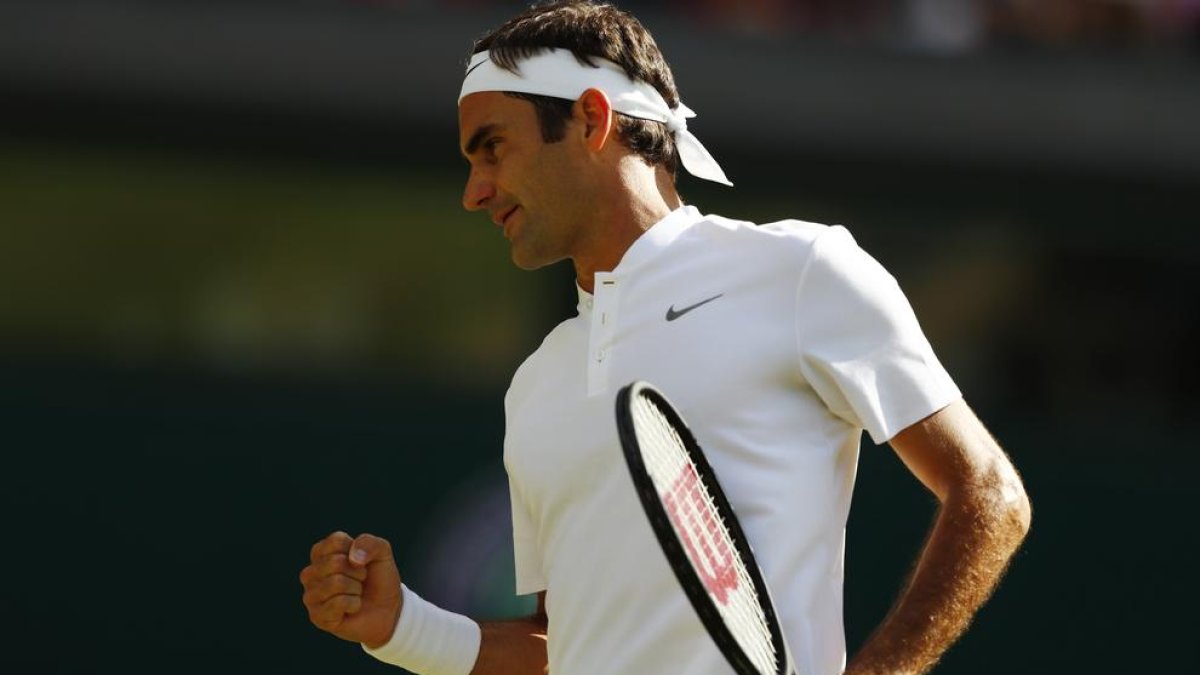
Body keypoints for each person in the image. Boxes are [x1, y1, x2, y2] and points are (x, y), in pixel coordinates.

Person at [299, 1, 1031, 673]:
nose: (474, 191)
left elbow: (990, 494)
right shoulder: (536, 384)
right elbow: (570, 643)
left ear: (591, 120)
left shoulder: (803, 270)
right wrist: (403, 625)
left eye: (492, 149)